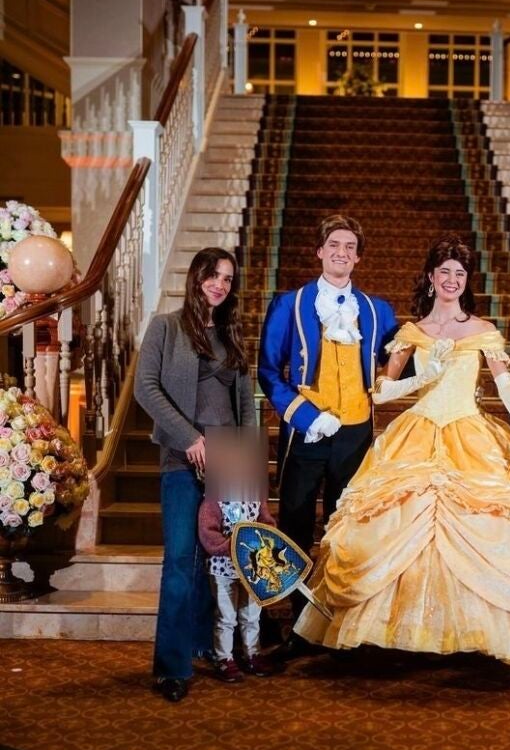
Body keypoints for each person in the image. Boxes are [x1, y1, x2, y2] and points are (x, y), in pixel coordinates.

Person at [295, 234, 510, 688]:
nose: (451, 280)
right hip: (418, 432)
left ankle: (479, 635)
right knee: (397, 522)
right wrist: (421, 377)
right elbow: (382, 392)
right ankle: (400, 635)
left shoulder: (483, 331)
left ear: (466, 282)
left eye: (460, 274)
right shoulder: (411, 333)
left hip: (471, 433)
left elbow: (507, 389)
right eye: (444, 272)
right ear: (431, 278)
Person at [258, 214, 398, 653]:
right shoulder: (291, 304)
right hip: (309, 432)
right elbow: (268, 371)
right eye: (334, 244)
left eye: (350, 246)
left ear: (358, 256)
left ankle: (336, 618)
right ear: (319, 251)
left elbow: (399, 361)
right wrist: (305, 416)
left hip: (356, 434)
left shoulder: (377, 310)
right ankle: (289, 618)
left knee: (345, 526)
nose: (342, 252)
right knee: (296, 523)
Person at [134, 247, 256, 703]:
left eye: (228, 278)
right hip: (183, 459)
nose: (220, 284)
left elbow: (245, 404)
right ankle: (171, 666)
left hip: (229, 461)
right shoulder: (165, 327)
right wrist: (188, 437)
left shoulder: (232, 333)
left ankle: (210, 645)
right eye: (213, 274)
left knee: (219, 560)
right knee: (182, 560)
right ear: (197, 277)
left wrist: (247, 463)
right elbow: (146, 387)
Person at [197, 428, 276, 683]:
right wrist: (228, 546)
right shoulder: (214, 498)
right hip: (224, 567)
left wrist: (266, 538)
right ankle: (224, 658)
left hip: (252, 567)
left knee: (252, 614)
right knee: (226, 615)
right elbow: (208, 533)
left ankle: (252, 652)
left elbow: (266, 521)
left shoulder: (255, 494)